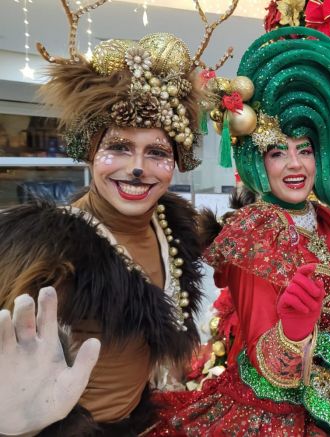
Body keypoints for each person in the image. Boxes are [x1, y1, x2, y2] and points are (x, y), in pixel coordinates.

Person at [151, 27, 330, 436]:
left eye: (303, 149)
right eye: (278, 152)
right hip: (273, 416)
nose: (294, 165)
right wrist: (295, 332)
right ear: (258, 160)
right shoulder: (253, 233)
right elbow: (264, 361)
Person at [0, 2, 238, 434]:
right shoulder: (47, 251)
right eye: (119, 148)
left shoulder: (173, 226)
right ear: (91, 153)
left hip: (143, 421)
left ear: (176, 162)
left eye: (157, 152)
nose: (137, 168)